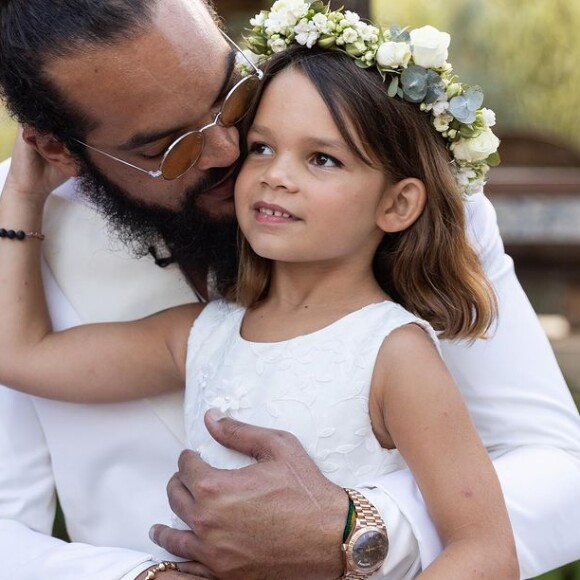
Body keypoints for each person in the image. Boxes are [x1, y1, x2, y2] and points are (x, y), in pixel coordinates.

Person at [0, 0, 578, 579]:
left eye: (232, 95)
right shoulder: (25, 243)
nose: (233, 151)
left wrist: (359, 530)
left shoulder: (404, 181)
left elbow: (556, 475)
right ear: (56, 150)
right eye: (166, 148)